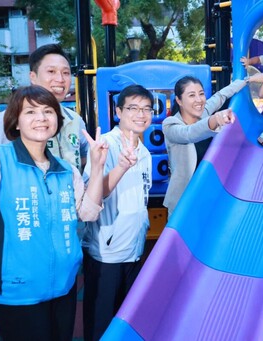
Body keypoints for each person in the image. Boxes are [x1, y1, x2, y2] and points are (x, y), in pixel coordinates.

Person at [0, 85, 109, 341]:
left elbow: (87, 213)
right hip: (18, 292)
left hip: (64, 288)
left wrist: (97, 167)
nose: (41, 118)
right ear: (16, 122)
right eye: (30, 111)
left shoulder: (66, 170)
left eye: (48, 111)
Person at [81, 85, 154, 340]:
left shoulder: (144, 152)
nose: (141, 114)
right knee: (100, 326)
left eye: (147, 109)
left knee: (127, 324)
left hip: (133, 251)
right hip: (106, 254)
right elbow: (93, 197)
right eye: (133, 108)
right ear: (118, 111)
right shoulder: (104, 147)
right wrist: (121, 166)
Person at [162, 73, 263, 218]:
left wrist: (249, 80)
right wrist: (215, 119)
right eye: (191, 95)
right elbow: (189, 133)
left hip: (208, 193)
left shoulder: (204, 112)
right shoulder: (170, 124)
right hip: (184, 199)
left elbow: (221, 95)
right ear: (179, 100)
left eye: (201, 94)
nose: (199, 100)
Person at [0, 44, 88, 170]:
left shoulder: (74, 119)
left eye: (66, 73)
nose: (60, 79)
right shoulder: (10, 117)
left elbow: (84, 157)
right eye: (51, 71)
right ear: (33, 77)